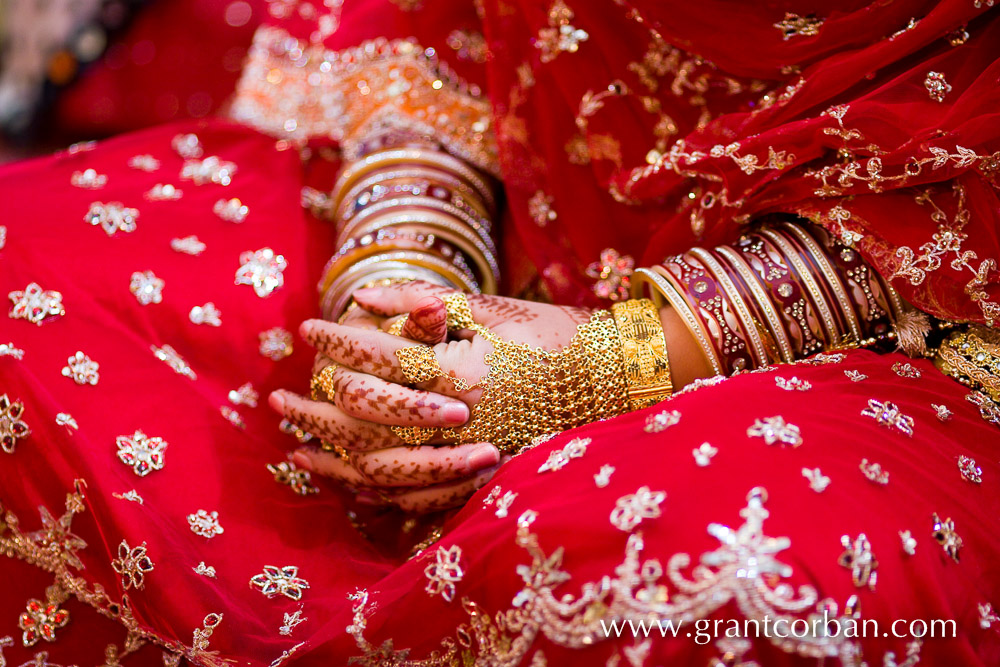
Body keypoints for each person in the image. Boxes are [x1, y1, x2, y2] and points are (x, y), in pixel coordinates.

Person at [2, 1, 1000, 665]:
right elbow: (449, 37)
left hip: (902, 330)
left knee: (712, 573)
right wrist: (398, 290)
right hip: (512, 211)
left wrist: (613, 360)